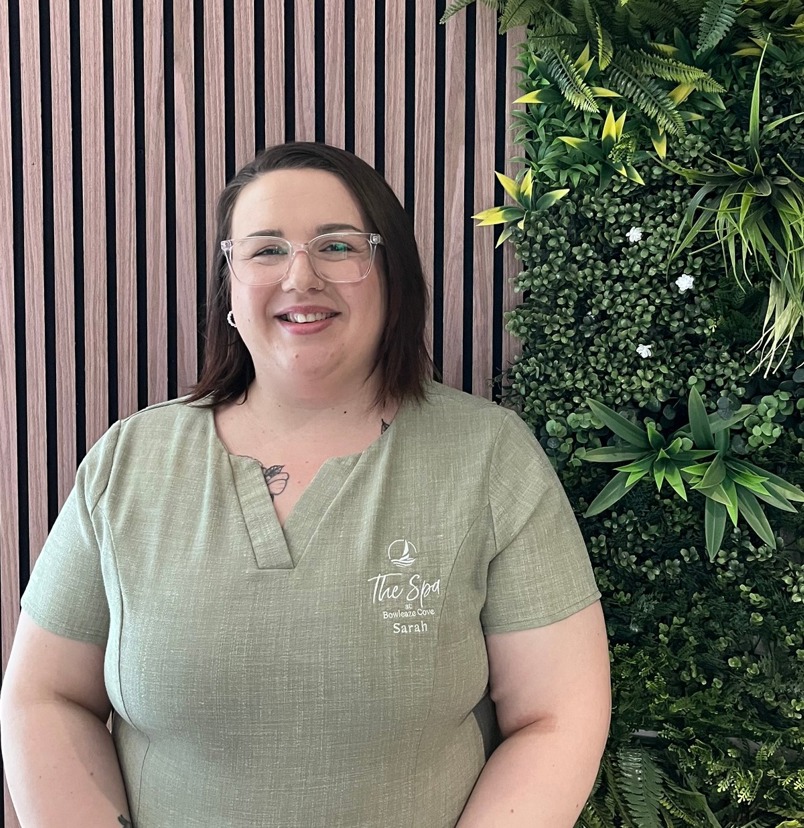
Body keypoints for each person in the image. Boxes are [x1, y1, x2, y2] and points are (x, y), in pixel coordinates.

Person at [1, 142, 610, 827]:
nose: (301, 276)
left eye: (338, 247)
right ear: (229, 293)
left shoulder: (490, 459)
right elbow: (46, 695)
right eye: (265, 251)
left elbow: (556, 714)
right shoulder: (129, 463)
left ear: (393, 278)